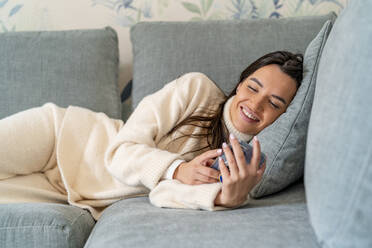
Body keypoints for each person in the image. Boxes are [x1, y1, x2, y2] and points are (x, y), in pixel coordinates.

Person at [0, 51, 303, 220]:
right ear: (239, 85)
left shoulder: (243, 166)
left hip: (74, 193)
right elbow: (121, 151)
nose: (256, 103)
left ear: (283, 116)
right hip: (63, 137)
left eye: (275, 103)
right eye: (253, 87)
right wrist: (178, 169)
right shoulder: (197, 90)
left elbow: (163, 195)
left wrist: (227, 198)